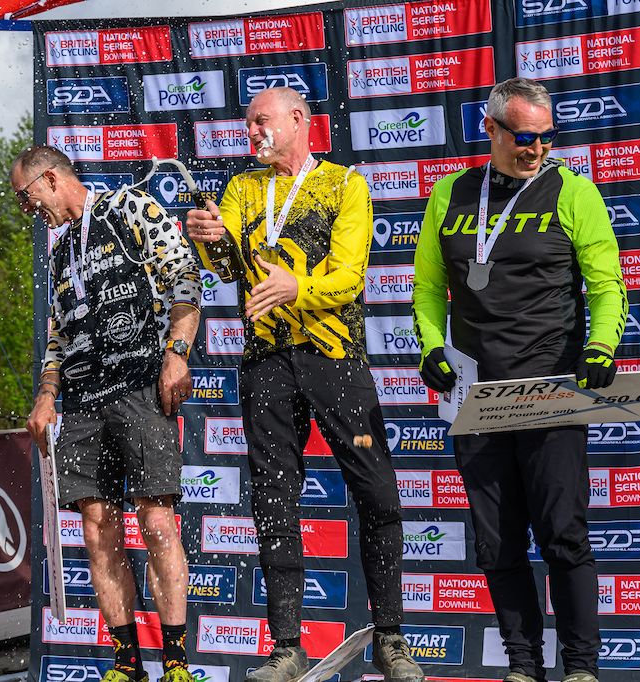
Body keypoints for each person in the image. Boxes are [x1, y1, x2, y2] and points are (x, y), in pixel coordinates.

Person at [186, 87, 424, 682]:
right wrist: (204, 235)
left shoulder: (345, 184)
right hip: (265, 358)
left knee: (377, 492)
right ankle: (287, 645)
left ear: (298, 121)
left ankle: (391, 638)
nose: (251, 133)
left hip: (334, 355)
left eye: (260, 122)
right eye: (246, 125)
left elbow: (348, 276)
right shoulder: (242, 189)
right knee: (273, 498)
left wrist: (298, 288)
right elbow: (225, 266)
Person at [411, 77, 628, 682]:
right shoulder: (450, 195)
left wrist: (602, 345)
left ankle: (581, 669)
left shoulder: (571, 191)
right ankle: (523, 667)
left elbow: (607, 283)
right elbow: (429, 289)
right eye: (524, 137)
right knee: (497, 544)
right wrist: (432, 345)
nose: (536, 148)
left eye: (545, 137)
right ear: (491, 129)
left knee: (563, 534)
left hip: (552, 389)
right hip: (477, 395)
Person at [16, 146, 202, 682]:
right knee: (98, 529)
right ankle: (126, 663)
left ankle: (176, 662)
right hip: (81, 400)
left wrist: (177, 355)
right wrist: (47, 393)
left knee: (156, 521)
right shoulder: (59, 252)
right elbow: (59, 334)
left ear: (50, 180)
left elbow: (185, 278)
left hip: (142, 385)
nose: (30, 211)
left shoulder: (129, 209)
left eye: (28, 199)